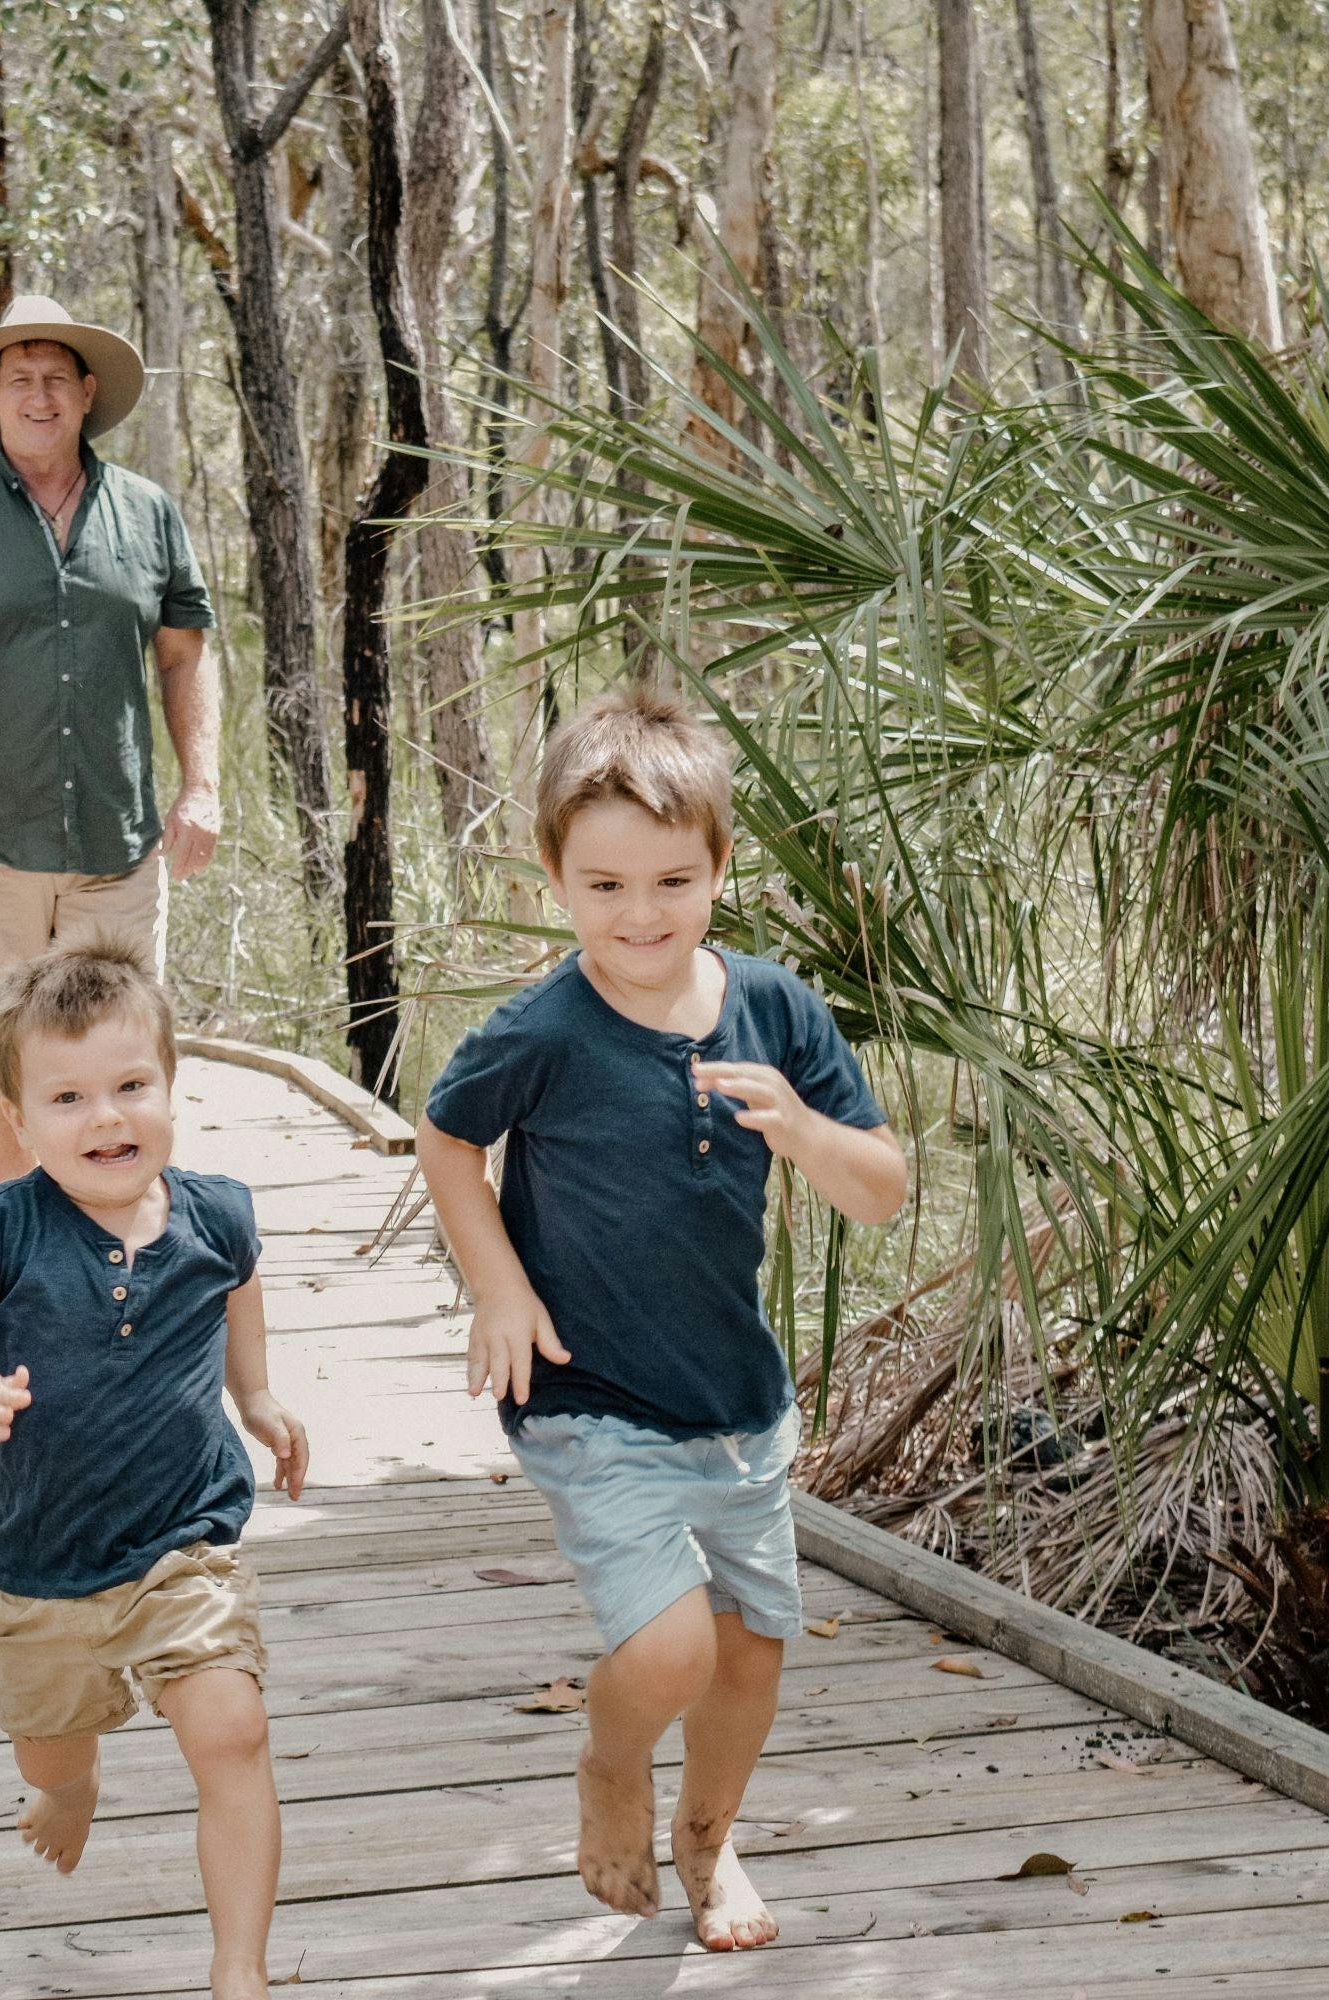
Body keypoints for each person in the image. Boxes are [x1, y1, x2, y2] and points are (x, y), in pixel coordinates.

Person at [413, 690, 909, 1952]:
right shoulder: (545, 1028)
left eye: (673, 880)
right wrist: (502, 1285)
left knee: (750, 1655)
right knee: (673, 1642)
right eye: (607, 883)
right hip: (590, 1395)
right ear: (555, 877)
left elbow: (884, 1187)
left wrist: (799, 1125)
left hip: (734, 1401)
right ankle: (610, 1758)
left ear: (721, 866)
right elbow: (448, 1132)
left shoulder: (776, 1010)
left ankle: (709, 1841)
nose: (642, 914)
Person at [0, 941, 305, 2000]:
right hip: (42, 1564)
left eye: (130, 1086)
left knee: (233, 1729)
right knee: (48, 1750)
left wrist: (253, 1396)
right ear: (18, 1118)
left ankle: (239, 1967)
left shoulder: (217, 1210)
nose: (105, 1117)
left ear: (171, 1084)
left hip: (183, 1548)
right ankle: (71, 1787)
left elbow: (239, 1281)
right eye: (68, 1096)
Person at [0, 294, 220, 1184]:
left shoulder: (146, 512)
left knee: (124, 1039)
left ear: (87, 391)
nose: (39, 395)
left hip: (118, 832)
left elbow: (184, 656)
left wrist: (201, 784)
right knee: (1, 1047)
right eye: (19, 379)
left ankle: (125, 1226)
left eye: (56, 378)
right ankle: (19, 1230)